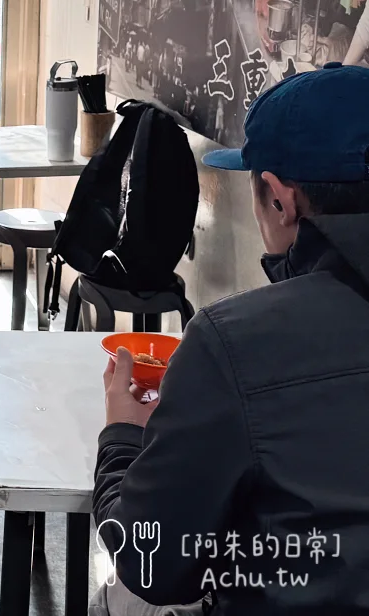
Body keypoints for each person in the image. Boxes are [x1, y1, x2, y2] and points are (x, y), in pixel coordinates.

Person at [91, 63, 369, 615]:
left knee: (118, 601)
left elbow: (153, 562)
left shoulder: (234, 342)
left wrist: (123, 436)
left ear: (280, 199)